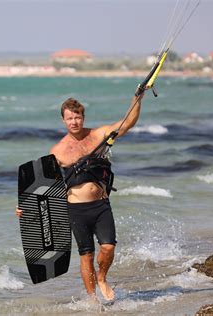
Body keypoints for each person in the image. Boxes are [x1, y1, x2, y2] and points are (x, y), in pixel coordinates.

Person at [16, 90, 145, 302]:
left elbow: (127, 122)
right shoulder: (57, 151)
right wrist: (25, 207)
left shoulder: (97, 135)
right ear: (63, 120)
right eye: (70, 118)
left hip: (101, 205)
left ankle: (102, 277)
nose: (74, 122)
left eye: (77, 117)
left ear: (83, 117)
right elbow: (43, 186)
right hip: (76, 209)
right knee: (86, 255)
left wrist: (137, 98)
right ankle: (92, 299)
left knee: (108, 247)